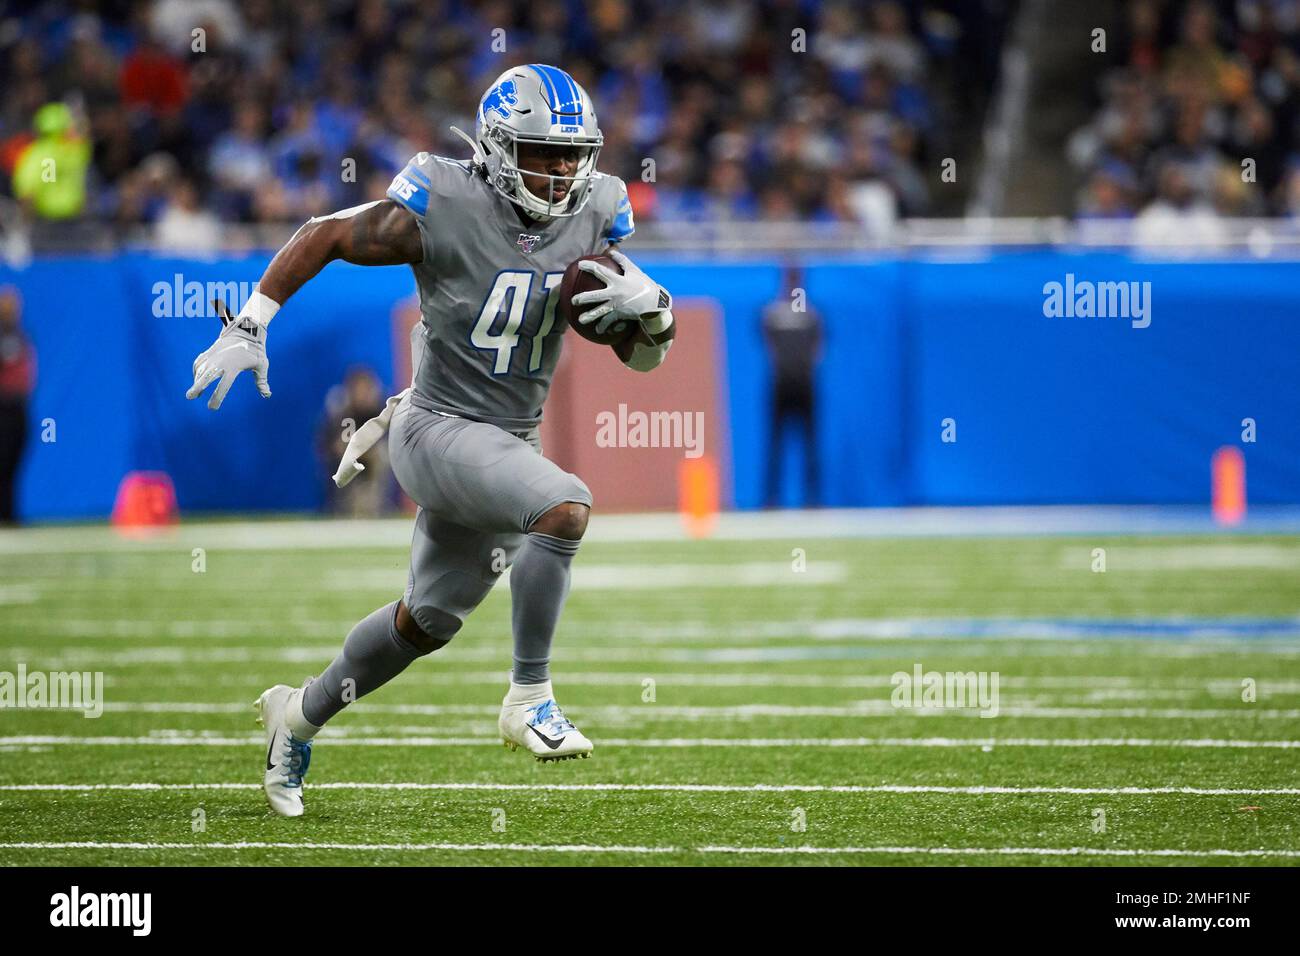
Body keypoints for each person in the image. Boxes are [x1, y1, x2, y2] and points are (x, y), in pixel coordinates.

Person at [185, 65, 675, 817]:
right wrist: (251, 321)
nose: (563, 171)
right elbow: (328, 233)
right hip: (437, 426)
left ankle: (297, 715)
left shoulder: (598, 211)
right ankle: (529, 697)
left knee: (425, 623)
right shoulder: (444, 200)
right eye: (544, 153)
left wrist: (658, 313)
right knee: (566, 507)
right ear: (498, 147)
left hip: (507, 440)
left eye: (573, 154)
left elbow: (641, 358)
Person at [762, 264, 823, 508]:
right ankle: (772, 498)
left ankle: (812, 498)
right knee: (776, 443)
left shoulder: (811, 314)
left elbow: (819, 349)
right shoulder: (773, 313)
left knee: (810, 443)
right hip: (781, 384)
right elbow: (769, 345)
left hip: (805, 385)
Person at [0, 288, 36, 524]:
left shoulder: (20, 336)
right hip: (2, 406)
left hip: (18, 406)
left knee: (12, 464)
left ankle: (10, 514)